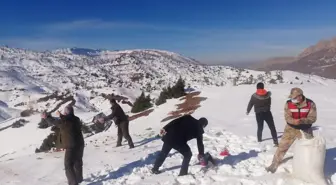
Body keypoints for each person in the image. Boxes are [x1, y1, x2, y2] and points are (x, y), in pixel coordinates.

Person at [265, 87, 317, 173]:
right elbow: (287, 117)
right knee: (282, 147)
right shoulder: (288, 103)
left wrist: (302, 121)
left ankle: (309, 167)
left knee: (309, 148)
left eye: (295, 97)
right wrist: (293, 121)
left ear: (300, 96)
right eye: (292, 97)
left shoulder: (310, 104)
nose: (293, 99)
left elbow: (313, 118)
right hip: (291, 128)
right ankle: (274, 164)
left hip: (306, 129)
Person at [41, 105, 84, 185]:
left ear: (66, 112)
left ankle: (73, 183)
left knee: (68, 165)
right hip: (80, 144)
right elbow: (65, 119)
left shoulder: (63, 121)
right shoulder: (76, 119)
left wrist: (46, 117)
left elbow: (53, 122)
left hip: (71, 145)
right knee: (78, 161)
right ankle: (79, 179)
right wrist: (60, 115)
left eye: (65, 111)